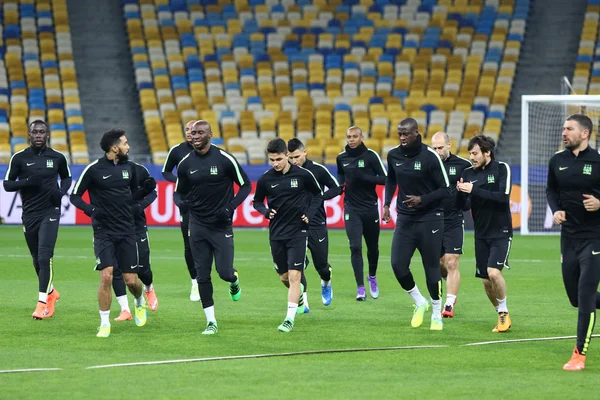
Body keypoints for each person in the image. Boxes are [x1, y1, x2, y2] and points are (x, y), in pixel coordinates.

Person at [70, 129, 156, 337]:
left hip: (127, 231)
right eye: (125, 143)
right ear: (115, 148)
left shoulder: (131, 169)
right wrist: (92, 210)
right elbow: (75, 196)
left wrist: (144, 194)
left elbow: (132, 197)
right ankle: (105, 323)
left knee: (131, 281)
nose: (128, 147)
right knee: (106, 276)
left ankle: (138, 301)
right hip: (103, 232)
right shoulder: (93, 170)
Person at [173, 120, 251, 334]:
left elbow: (246, 185)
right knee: (202, 275)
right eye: (192, 133)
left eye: (200, 132)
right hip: (197, 225)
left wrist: (231, 207)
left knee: (224, 272)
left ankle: (234, 280)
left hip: (221, 225)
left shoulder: (225, 159)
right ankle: (211, 321)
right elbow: (177, 192)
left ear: (210, 134)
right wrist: (181, 204)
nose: (195, 136)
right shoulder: (186, 163)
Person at [383, 118, 450, 330]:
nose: (402, 137)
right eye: (399, 133)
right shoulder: (393, 155)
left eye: (406, 133)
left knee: (431, 268)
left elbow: (446, 189)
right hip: (405, 218)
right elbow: (391, 179)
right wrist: (386, 204)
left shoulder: (430, 156)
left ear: (416, 133)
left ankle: (437, 313)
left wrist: (423, 199)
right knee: (397, 264)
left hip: (430, 217)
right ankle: (420, 301)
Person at [546, 114, 600, 371]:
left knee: (586, 296)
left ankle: (579, 354)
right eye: (563, 128)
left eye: (569, 129)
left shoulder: (598, 161)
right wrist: (556, 209)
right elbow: (551, 190)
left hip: (595, 237)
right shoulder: (557, 161)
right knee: (575, 298)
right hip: (568, 238)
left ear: (585, 133)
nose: (564, 132)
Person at [3, 120, 72, 319]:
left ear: (48, 134)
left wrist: (61, 192)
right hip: (29, 214)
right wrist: (26, 182)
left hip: (50, 211)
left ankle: (42, 302)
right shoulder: (19, 158)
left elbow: (66, 178)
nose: (39, 135)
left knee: (44, 256)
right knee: (36, 259)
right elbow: (7, 184)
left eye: (42, 132)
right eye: (35, 132)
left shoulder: (58, 157)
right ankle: (51, 292)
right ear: (29, 135)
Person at [253, 138, 323, 332]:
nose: (275, 163)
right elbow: (256, 201)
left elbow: (318, 195)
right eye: (272, 160)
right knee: (284, 277)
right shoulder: (266, 179)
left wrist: (309, 215)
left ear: (287, 156)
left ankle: (289, 319)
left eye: (279, 159)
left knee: (294, 275)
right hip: (276, 233)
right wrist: (266, 212)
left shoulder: (303, 175)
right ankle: (298, 295)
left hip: (298, 232)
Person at [456, 135, 513, 334]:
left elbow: (503, 198)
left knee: (494, 272)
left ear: (487, 152)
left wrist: (474, 189)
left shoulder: (501, 169)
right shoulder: (467, 173)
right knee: (486, 281)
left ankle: (504, 312)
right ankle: (501, 314)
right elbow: (465, 206)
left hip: (501, 231)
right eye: (470, 153)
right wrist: (462, 193)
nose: (471, 157)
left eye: (475, 153)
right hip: (481, 234)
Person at [288, 138, 342, 306]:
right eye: (290, 157)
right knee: (297, 267)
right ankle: (303, 303)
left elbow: (337, 188)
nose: (294, 161)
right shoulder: (286, 171)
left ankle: (326, 281)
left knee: (321, 266)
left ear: (305, 152)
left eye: (296, 156)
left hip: (316, 223)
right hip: (294, 225)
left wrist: (319, 198)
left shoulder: (318, 170)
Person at [336, 126, 387, 300]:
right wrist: (341, 186)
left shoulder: (371, 156)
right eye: (349, 136)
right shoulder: (341, 158)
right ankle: (360, 288)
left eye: (355, 136)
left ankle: (372, 277)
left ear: (362, 137)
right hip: (351, 208)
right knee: (355, 247)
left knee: (373, 248)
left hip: (370, 208)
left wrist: (365, 177)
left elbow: (385, 179)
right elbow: (340, 176)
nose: (351, 139)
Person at [431, 131, 472, 318]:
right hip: (433, 220)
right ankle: (447, 282)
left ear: (449, 145)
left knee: (452, 261)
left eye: (440, 148)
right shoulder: (428, 165)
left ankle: (449, 304)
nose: (438, 152)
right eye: (434, 148)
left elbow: (471, 196)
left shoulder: (463, 166)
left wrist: (464, 195)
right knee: (440, 264)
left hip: (454, 220)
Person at [112, 161, 159, 321]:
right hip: (113, 226)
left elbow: (153, 192)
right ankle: (125, 309)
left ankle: (149, 288)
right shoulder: (101, 170)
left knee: (142, 268)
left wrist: (140, 206)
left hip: (136, 225)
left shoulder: (139, 170)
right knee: (114, 269)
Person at [162, 120, 198, 301]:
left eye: (193, 130)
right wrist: (180, 181)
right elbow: (166, 172)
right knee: (189, 244)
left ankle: (225, 270)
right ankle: (195, 282)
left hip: (208, 203)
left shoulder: (211, 151)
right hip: (187, 202)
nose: (190, 133)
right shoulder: (177, 151)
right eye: (187, 130)